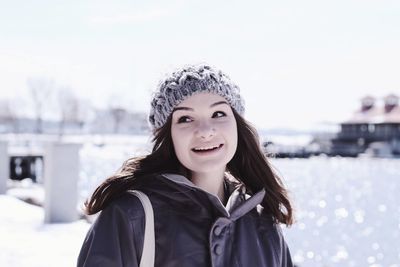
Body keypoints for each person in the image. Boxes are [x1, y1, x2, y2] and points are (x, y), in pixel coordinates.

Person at [77, 64, 294, 267]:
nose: (205, 130)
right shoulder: (131, 215)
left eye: (218, 114)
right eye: (185, 119)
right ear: (168, 135)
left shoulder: (264, 221)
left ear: (237, 124)